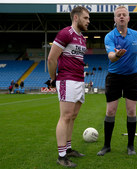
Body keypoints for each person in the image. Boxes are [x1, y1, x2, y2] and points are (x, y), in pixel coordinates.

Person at [97, 6, 137, 156]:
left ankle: (131, 146)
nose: (121, 17)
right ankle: (106, 146)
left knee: (131, 111)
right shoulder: (109, 36)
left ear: (128, 18)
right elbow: (110, 56)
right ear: (114, 19)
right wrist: (117, 56)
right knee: (110, 111)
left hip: (132, 77)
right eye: (118, 15)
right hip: (114, 77)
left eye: (124, 15)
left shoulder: (136, 35)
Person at [47, 6, 90, 168]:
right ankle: (61, 155)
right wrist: (53, 78)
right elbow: (51, 58)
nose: (88, 21)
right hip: (67, 79)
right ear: (76, 18)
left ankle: (69, 148)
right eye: (86, 18)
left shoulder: (82, 38)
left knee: (73, 116)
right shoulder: (65, 33)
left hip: (79, 80)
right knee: (65, 116)